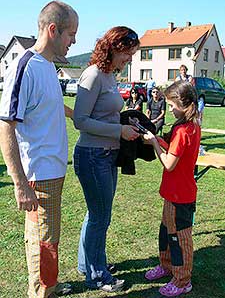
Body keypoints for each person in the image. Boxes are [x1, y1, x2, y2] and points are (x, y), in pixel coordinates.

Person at [0, 1, 78, 298]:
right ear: (53, 29)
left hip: (53, 171)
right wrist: (20, 184)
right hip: (38, 175)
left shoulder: (48, 67)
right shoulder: (26, 67)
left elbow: (53, 108)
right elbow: (6, 124)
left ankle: (50, 286)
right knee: (43, 242)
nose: (74, 41)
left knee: (48, 239)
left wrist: (86, 117)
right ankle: (42, 292)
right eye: (72, 34)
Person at [73, 26, 140, 292]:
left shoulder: (110, 74)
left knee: (97, 214)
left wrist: (126, 119)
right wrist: (118, 130)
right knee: (101, 216)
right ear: (113, 47)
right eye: (127, 53)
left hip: (107, 154)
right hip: (93, 155)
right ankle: (97, 275)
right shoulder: (93, 75)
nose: (130, 59)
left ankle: (88, 263)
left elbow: (104, 113)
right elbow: (80, 120)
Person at [143, 81, 201, 297]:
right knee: (166, 232)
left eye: (172, 105)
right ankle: (167, 266)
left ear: (184, 105)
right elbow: (177, 154)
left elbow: (169, 163)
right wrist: (156, 140)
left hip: (180, 196)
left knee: (179, 238)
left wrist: (156, 145)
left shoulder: (184, 131)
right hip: (173, 193)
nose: (170, 110)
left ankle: (182, 280)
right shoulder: (189, 127)